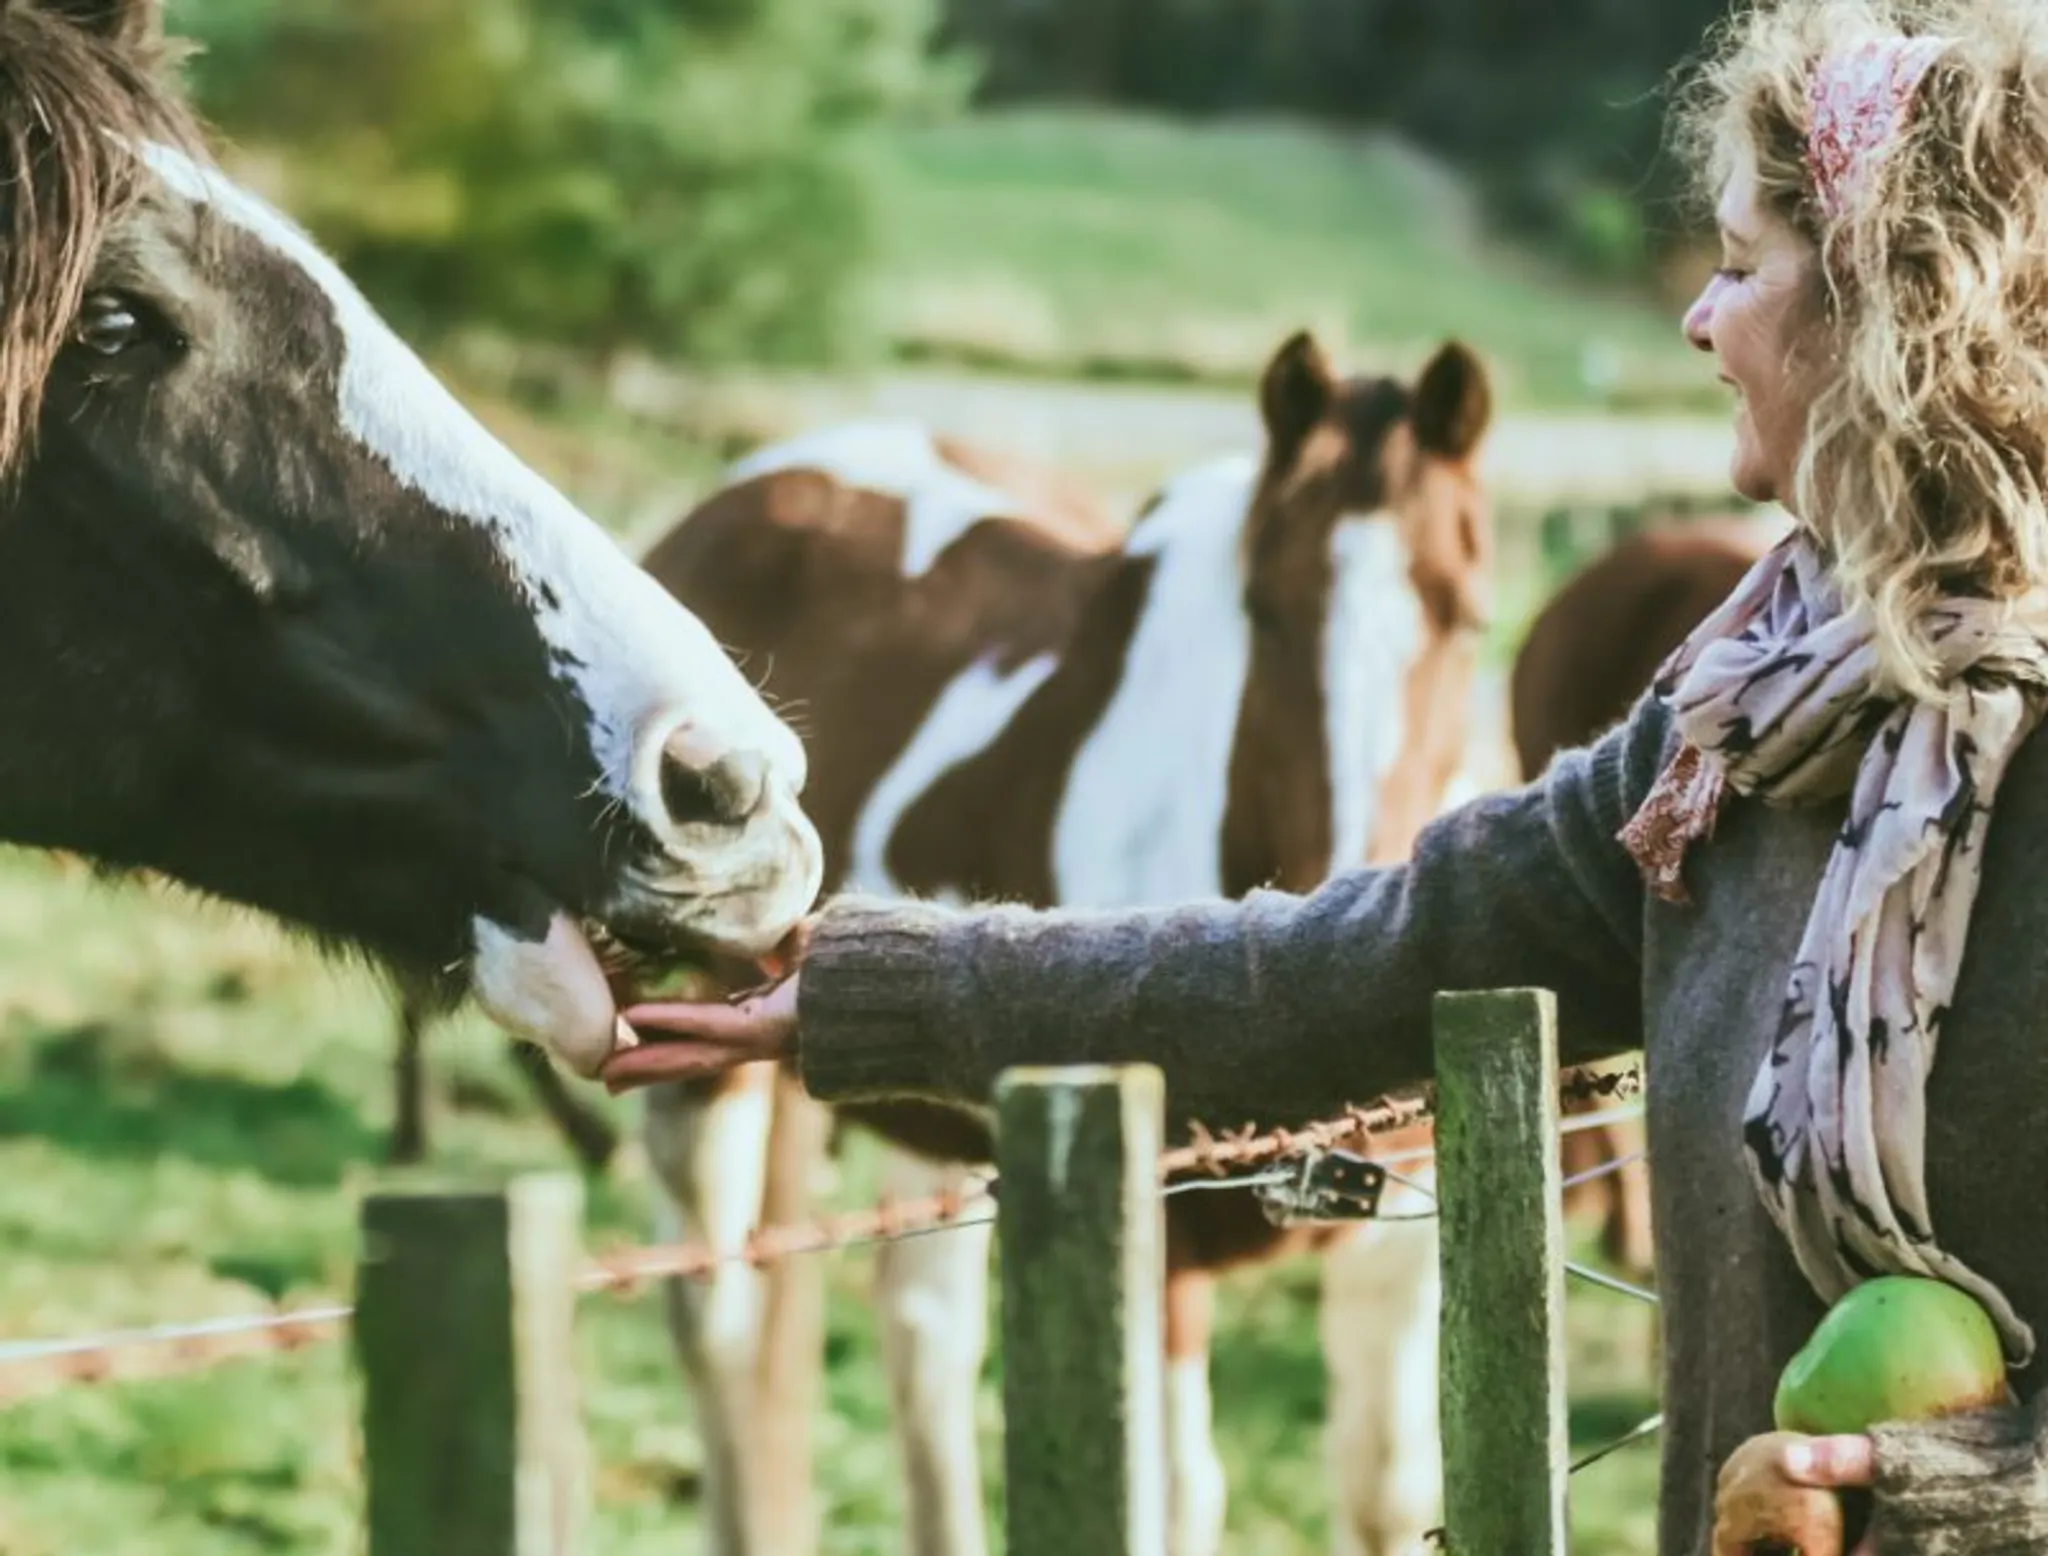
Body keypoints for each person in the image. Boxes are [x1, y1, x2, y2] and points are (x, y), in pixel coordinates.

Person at [618, 3, 2048, 1551]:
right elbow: (1350, 962)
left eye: (1740, 264)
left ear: (1892, 309)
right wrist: (863, 986)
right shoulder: (1734, 733)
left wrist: (1944, 1499)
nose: (1699, 323)